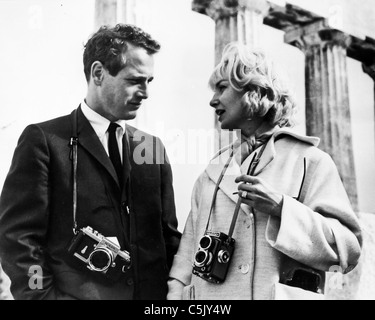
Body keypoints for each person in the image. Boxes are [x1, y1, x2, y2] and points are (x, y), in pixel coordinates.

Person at [167, 42, 362, 300]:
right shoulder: (210, 174)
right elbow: (183, 265)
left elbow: (347, 251)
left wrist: (282, 208)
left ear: (255, 91)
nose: (213, 100)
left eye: (222, 88)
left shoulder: (310, 161)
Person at [0, 23, 181, 300]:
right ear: (98, 73)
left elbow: (168, 240)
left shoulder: (150, 147)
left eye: (149, 81)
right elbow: (18, 240)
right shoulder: (45, 140)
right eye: (135, 80)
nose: (145, 93)